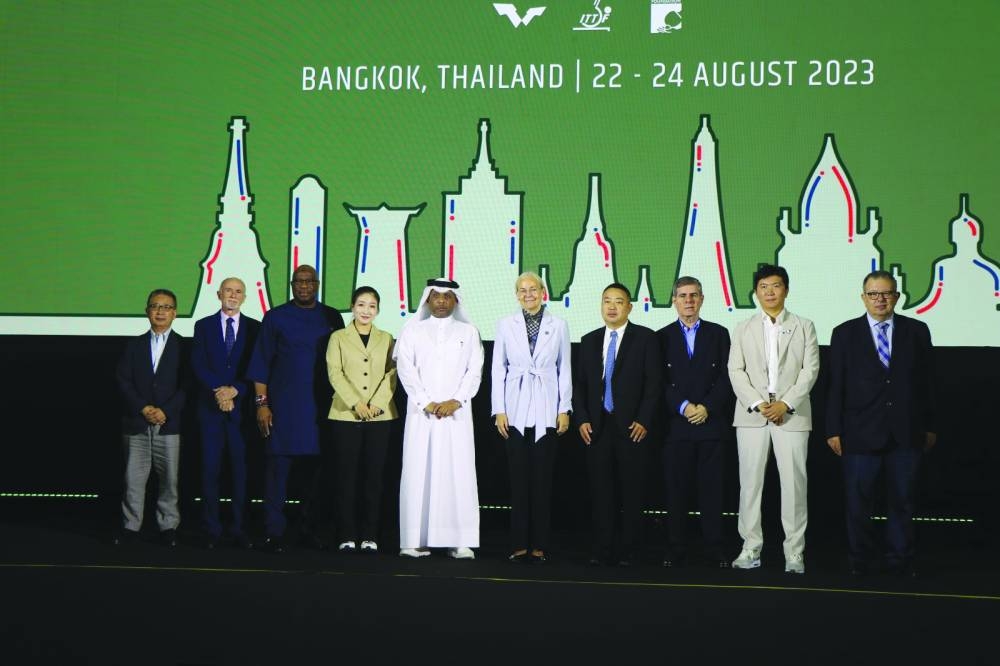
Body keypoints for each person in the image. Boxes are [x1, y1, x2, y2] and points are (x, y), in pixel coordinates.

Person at [826, 270, 936, 577]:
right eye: (873, 294)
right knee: (858, 504)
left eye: (886, 293)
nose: (880, 299)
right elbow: (836, 386)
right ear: (863, 297)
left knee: (903, 501)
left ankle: (900, 560)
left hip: (906, 432)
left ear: (897, 297)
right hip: (859, 433)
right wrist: (833, 429)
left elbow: (928, 383)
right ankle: (859, 560)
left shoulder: (917, 330)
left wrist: (930, 426)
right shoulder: (844, 333)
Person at [728, 264, 819, 574]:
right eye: (764, 286)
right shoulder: (743, 327)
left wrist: (785, 403)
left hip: (791, 416)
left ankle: (794, 552)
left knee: (794, 485)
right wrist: (757, 403)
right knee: (750, 485)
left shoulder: (804, 325)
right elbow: (735, 371)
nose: (769, 291)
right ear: (756, 292)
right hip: (752, 415)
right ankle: (750, 548)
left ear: (786, 290)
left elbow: (810, 371)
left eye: (776, 286)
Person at [247, 265, 345, 552]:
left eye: (309, 281)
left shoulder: (331, 317)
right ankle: (273, 532)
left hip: (320, 411)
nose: (304, 286)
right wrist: (262, 405)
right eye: (298, 282)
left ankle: (308, 530)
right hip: (284, 410)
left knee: (314, 478)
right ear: (292, 285)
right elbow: (261, 364)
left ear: (317, 284)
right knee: (277, 474)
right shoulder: (275, 317)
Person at [394, 278, 483, 559]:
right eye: (436, 296)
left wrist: (456, 400)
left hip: (456, 415)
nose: (442, 301)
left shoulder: (468, 332)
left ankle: (460, 540)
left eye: (447, 296)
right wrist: (427, 402)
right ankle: (413, 540)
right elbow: (406, 370)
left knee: (458, 474)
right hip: (422, 415)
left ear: (455, 300)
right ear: (427, 300)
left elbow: (475, 370)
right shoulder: (412, 331)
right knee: (418, 472)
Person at [574, 283, 662, 566]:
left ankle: (630, 551)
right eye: (607, 301)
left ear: (629, 307)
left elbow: (654, 384)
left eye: (619, 302)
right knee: (601, 492)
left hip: (632, 427)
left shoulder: (646, 338)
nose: (612, 307)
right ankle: (602, 549)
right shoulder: (588, 340)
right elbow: (580, 385)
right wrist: (583, 418)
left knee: (632, 491)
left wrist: (644, 419)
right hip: (597, 427)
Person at [491, 272, 572, 563]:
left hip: (547, 407)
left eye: (533, 289)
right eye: (522, 290)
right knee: (518, 480)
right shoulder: (505, 325)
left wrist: (564, 409)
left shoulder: (559, 325)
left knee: (542, 480)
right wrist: (499, 409)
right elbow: (498, 369)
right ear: (516, 295)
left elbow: (565, 369)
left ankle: (540, 544)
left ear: (543, 292)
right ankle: (518, 543)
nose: (528, 295)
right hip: (514, 409)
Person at [657, 276, 732, 568]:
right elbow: (659, 381)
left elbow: (728, 376)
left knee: (712, 492)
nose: (688, 300)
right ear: (674, 300)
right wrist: (685, 406)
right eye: (682, 295)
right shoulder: (660, 337)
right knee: (676, 492)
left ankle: (714, 548)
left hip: (712, 426)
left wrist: (707, 407)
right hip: (676, 428)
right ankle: (676, 548)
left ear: (702, 299)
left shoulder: (719, 333)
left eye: (694, 295)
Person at [326, 286, 399, 554]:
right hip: (346, 414)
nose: (366, 310)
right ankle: (346, 534)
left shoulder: (387, 337)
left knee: (375, 478)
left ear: (377, 310)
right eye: (361, 304)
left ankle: (370, 535)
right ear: (352, 307)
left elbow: (392, 373)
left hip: (380, 418)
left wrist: (376, 405)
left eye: (371, 306)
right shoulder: (338, 337)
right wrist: (356, 403)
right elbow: (335, 373)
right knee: (346, 477)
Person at [191, 277, 260, 549]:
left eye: (238, 292)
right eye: (228, 290)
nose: (232, 295)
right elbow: (198, 364)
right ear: (219, 294)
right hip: (210, 409)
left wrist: (236, 390)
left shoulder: (255, 328)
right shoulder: (203, 326)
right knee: (210, 471)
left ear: (244, 297)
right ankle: (211, 529)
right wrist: (219, 391)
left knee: (241, 473)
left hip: (241, 413)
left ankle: (239, 529)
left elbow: (257, 366)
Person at [114, 289, 186, 546]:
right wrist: (143, 408)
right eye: (155, 306)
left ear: (174, 313)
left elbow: (187, 385)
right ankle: (130, 527)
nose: (160, 311)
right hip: (136, 422)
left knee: (170, 481)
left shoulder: (185, 347)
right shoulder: (133, 346)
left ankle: (168, 528)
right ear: (147, 311)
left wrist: (165, 411)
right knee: (133, 479)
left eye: (166, 307)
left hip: (169, 424)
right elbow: (123, 381)